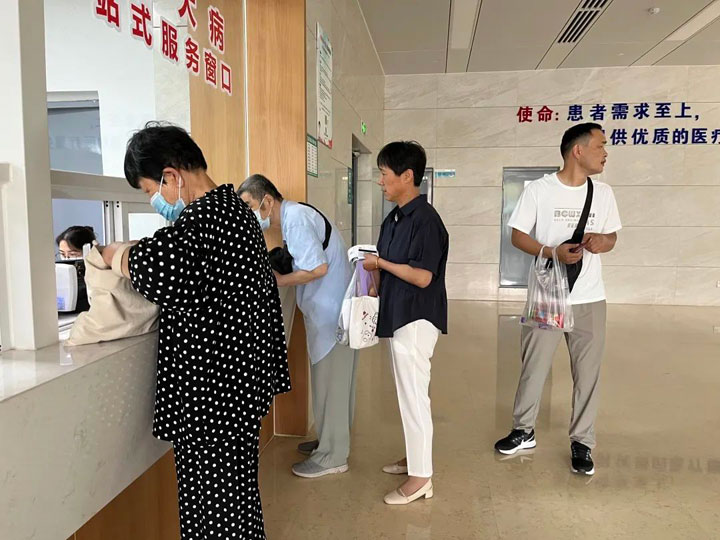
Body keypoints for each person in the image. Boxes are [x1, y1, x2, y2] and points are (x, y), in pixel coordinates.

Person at [101, 123, 290, 540]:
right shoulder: (233, 211)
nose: (156, 200)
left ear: (172, 176)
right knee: (234, 500)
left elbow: (160, 268)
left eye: (151, 189)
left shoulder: (206, 218)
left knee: (214, 508)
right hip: (237, 388)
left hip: (216, 399)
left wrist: (115, 255)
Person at [494, 122, 622, 476]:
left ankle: (583, 442)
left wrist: (602, 242)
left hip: (590, 298)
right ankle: (523, 430)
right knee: (534, 366)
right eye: (600, 146)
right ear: (577, 150)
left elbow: (612, 238)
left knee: (587, 374)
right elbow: (518, 235)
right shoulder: (540, 190)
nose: (605, 153)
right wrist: (551, 251)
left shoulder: (604, 193)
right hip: (548, 294)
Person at [236, 175, 355, 479]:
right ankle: (328, 440)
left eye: (249, 206)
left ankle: (333, 456)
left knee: (331, 385)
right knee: (331, 384)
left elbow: (318, 268)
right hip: (329, 310)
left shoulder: (297, 219)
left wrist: (280, 280)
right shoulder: (294, 216)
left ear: (267, 200)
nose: (250, 214)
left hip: (331, 314)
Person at [362, 141, 449, 505]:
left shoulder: (425, 221)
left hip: (416, 318)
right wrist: (372, 275)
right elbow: (383, 262)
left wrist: (380, 265)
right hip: (397, 314)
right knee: (407, 394)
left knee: (414, 396)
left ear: (407, 176)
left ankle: (421, 477)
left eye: (384, 174)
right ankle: (415, 458)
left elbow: (423, 277)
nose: (380, 181)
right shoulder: (395, 218)